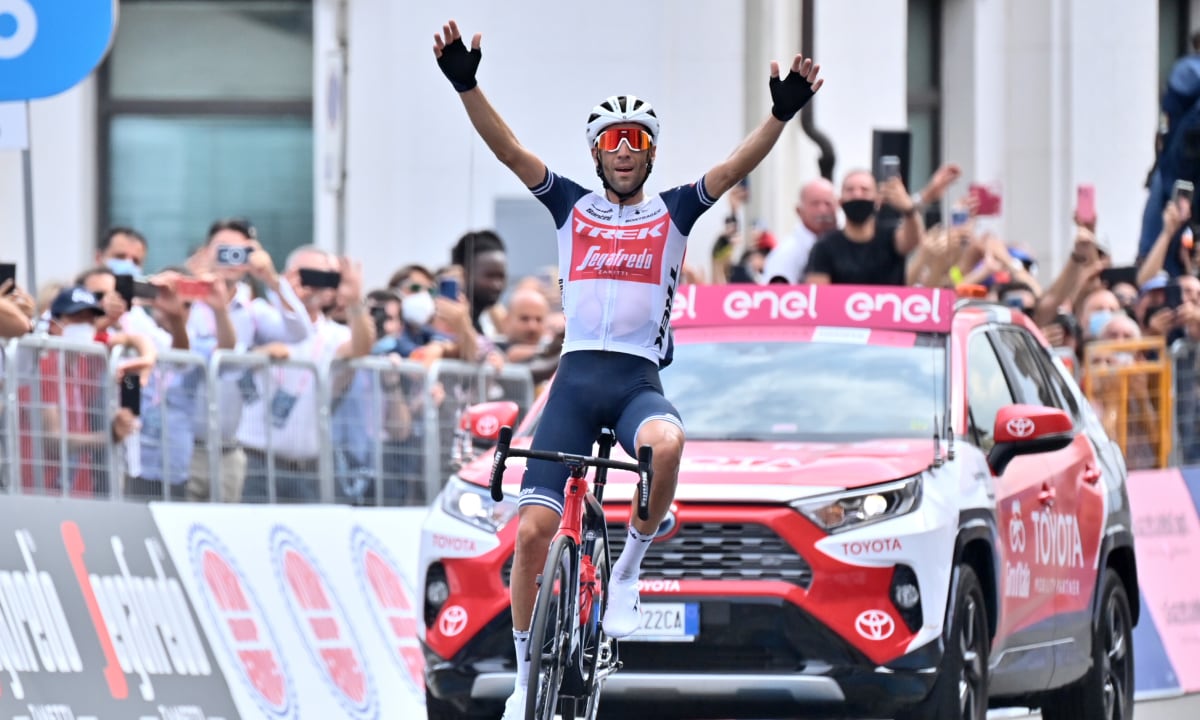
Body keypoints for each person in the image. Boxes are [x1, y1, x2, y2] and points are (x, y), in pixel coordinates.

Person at [433, 18, 823, 717]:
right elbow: (509, 149)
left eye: (636, 141)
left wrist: (782, 114)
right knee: (528, 535)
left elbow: (735, 168)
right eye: (612, 141)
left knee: (666, 444)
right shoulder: (570, 208)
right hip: (575, 383)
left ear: (649, 154)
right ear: (595, 151)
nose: (623, 151)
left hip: (638, 381)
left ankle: (629, 575)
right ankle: (526, 678)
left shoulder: (673, 212)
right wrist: (467, 83)